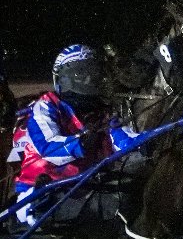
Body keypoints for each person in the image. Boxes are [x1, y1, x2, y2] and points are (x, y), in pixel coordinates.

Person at [9, 44, 116, 226]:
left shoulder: (102, 111)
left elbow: (124, 141)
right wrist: (81, 144)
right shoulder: (46, 106)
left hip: (85, 186)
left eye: (94, 73)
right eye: (82, 74)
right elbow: (49, 147)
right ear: (65, 78)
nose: (90, 79)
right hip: (41, 193)